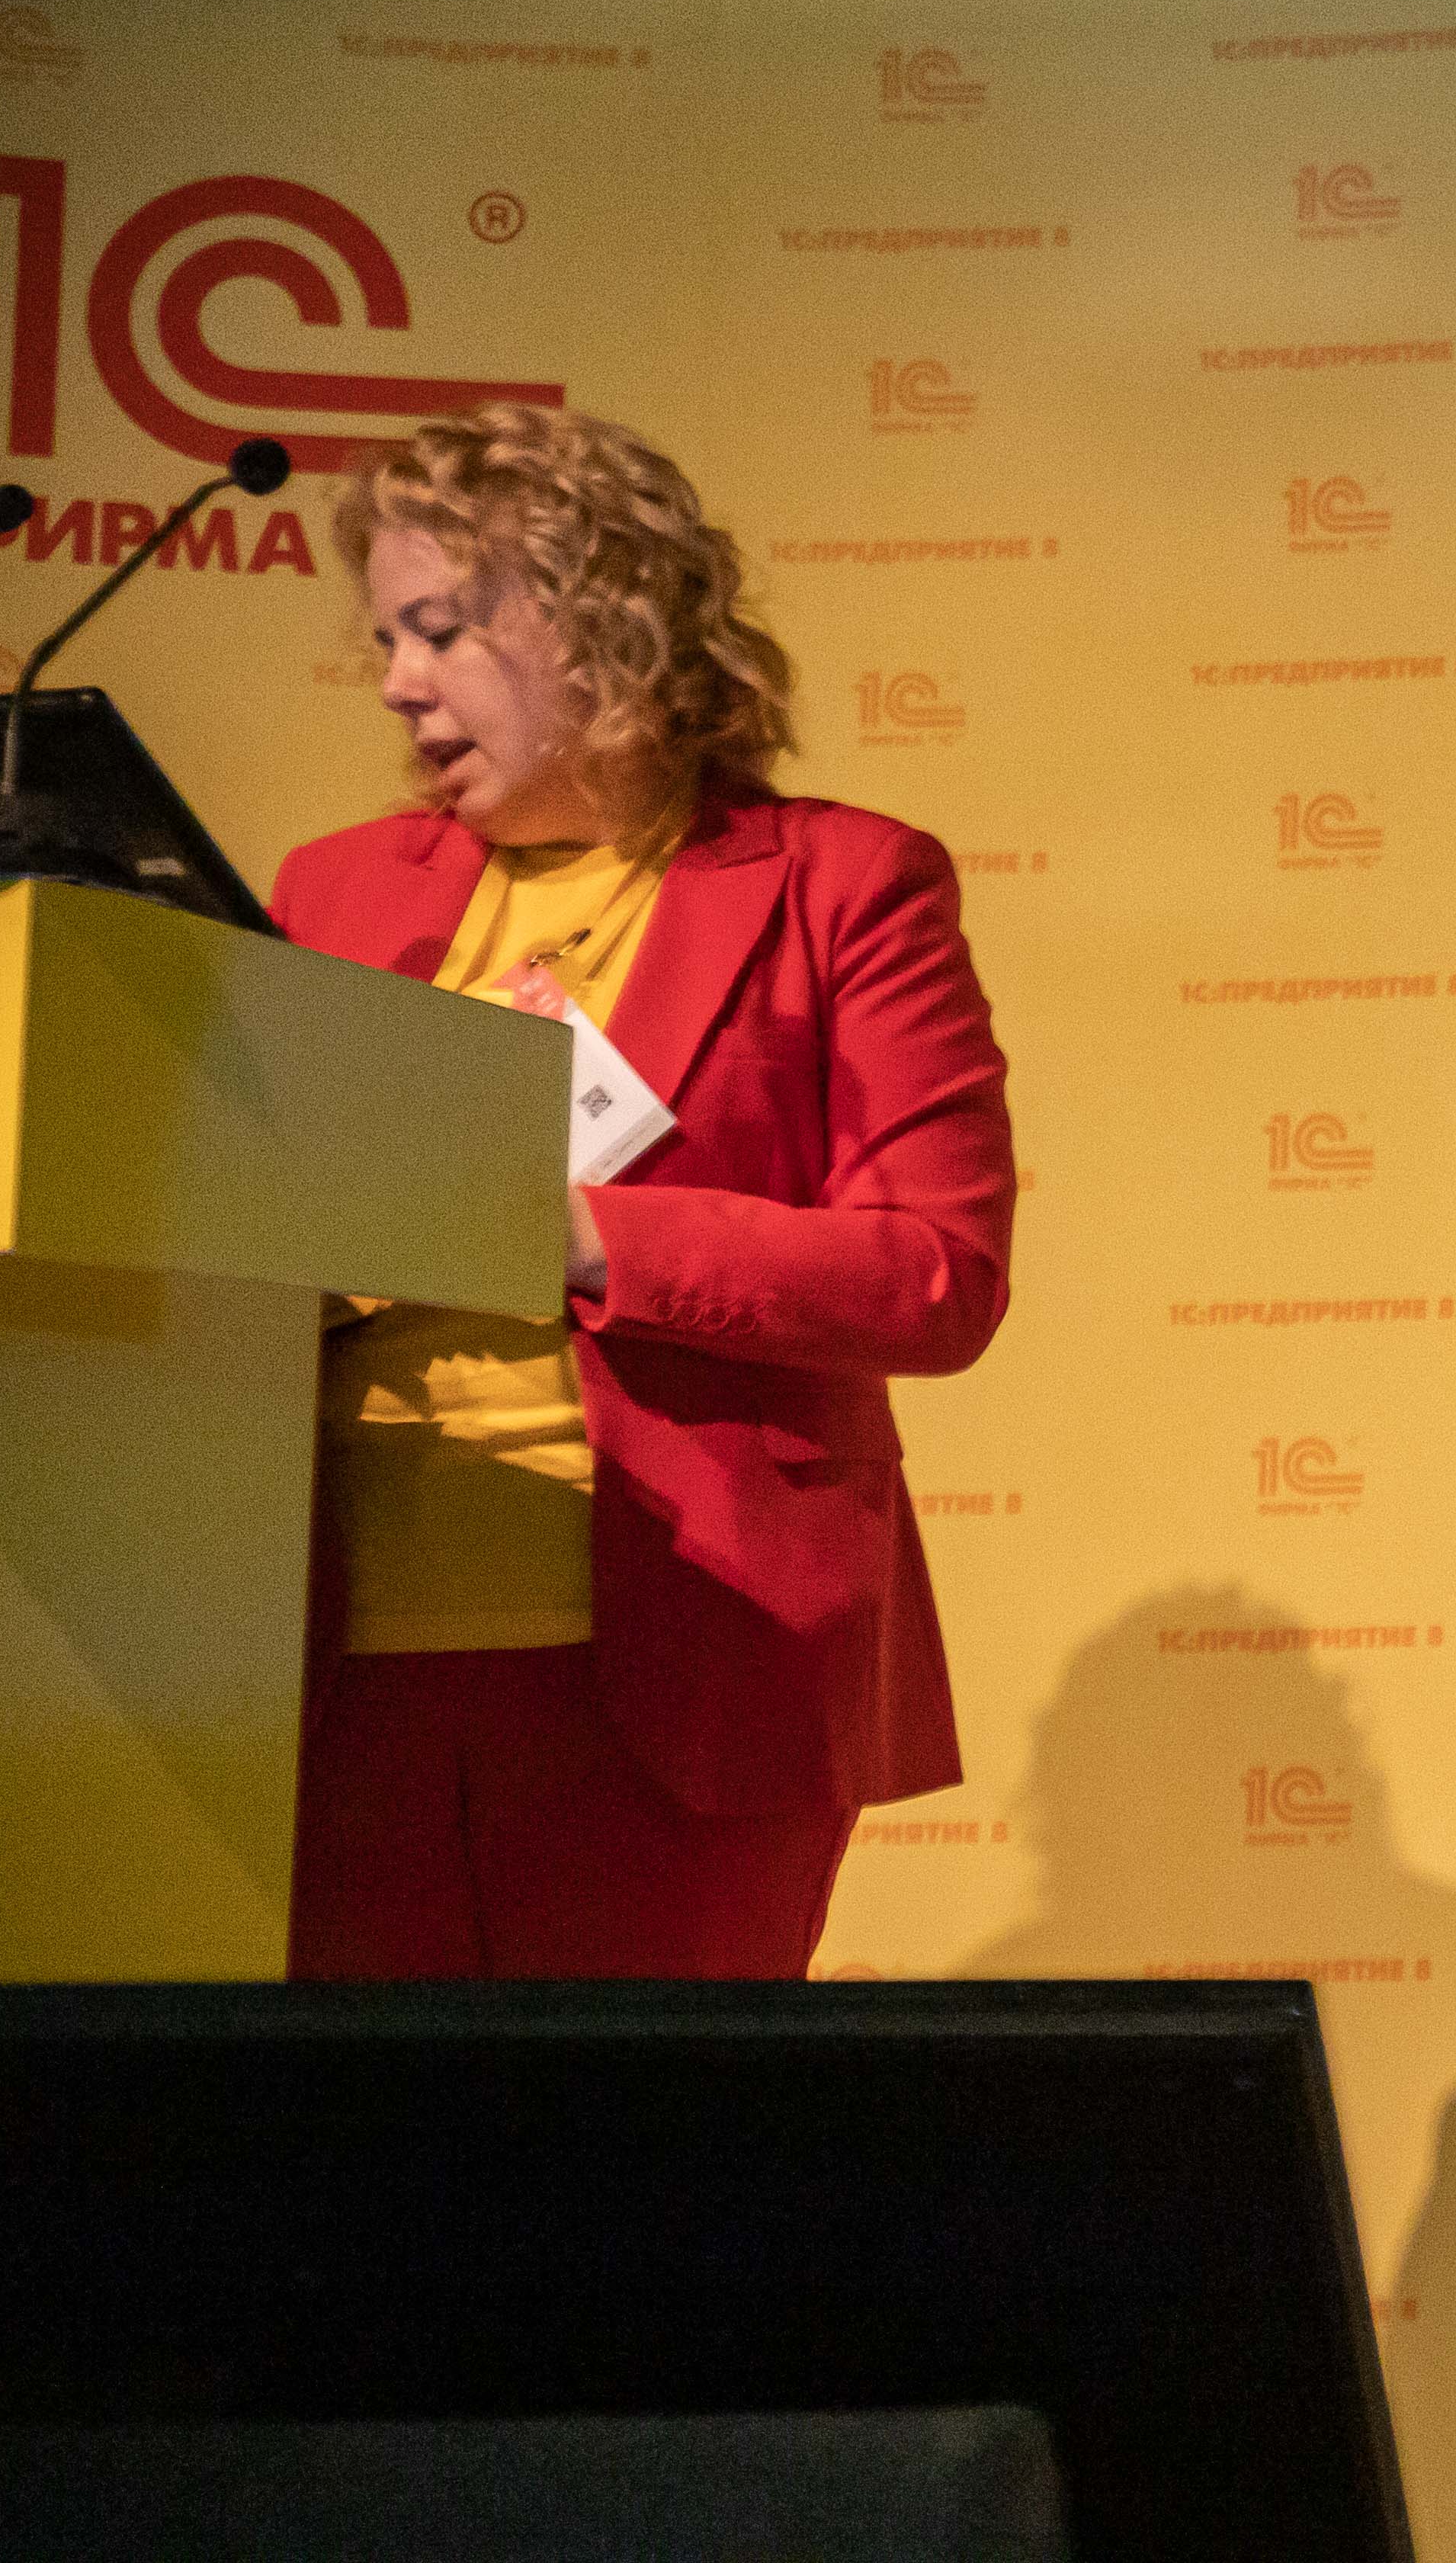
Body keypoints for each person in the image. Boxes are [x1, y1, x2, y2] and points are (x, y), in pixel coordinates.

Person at [269, 402, 1013, 1981]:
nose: (397, 682)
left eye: (440, 630)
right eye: (386, 639)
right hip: (324, 1673)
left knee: (641, 2137)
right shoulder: (328, 893)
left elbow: (935, 1274)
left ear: (599, 620)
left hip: (699, 1666)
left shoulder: (842, 883)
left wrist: (580, 1232)